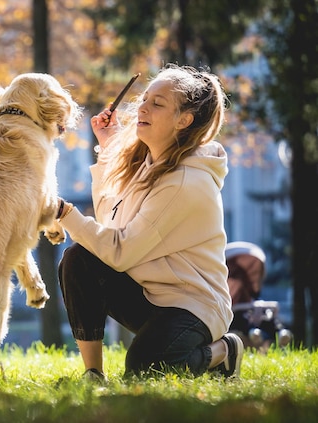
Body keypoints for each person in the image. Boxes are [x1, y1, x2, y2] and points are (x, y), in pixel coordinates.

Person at [56, 64, 242, 381]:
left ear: (184, 120)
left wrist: (64, 213)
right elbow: (109, 226)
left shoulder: (185, 181)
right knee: (79, 258)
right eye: (145, 99)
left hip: (192, 305)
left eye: (157, 104)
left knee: (145, 370)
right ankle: (93, 373)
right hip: (148, 291)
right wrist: (107, 148)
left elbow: (121, 252)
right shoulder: (148, 164)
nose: (142, 107)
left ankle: (223, 351)